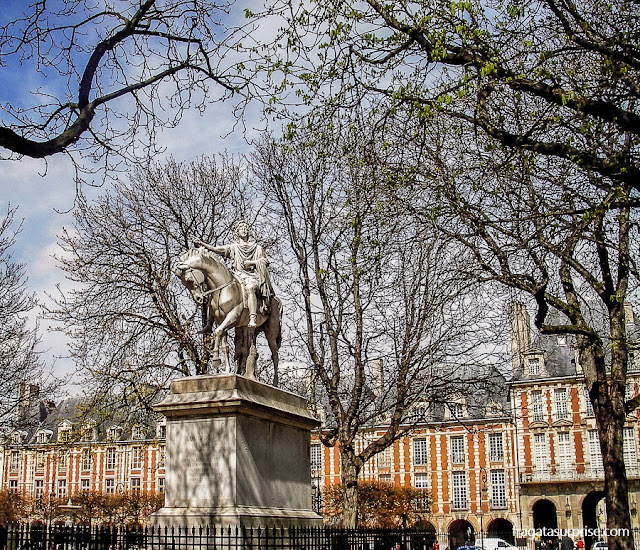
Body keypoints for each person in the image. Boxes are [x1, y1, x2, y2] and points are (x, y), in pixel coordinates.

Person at [194, 220, 272, 328]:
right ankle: (209, 324)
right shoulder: (234, 247)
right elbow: (216, 249)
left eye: (245, 228)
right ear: (237, 232)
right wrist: (202, 244)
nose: (244, 230)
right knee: (216, 288)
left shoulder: (257, 248)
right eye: (241, 229)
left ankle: (253, 317)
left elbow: (266, 261)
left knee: (250, 288)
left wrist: (253, 263)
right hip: (238, 276)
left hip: (251, 277)